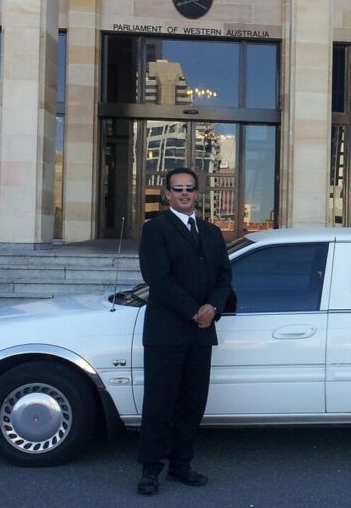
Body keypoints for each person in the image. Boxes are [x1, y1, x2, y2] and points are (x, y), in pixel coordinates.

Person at [135, 166, 232, 496]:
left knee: (192, 403)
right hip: (166, 331)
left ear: (197, 193)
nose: (185, 193)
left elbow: (224, 276)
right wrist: (194, 310)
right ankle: (150, 470)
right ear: (167, 194)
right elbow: (158, 280)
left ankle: (181, 465)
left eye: (190, 188)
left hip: (201, 332)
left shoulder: (212, 232)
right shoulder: (155, 230)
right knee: (160, 403)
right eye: (178, 189)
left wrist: (213, 307)